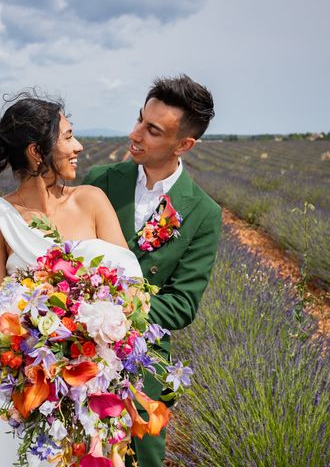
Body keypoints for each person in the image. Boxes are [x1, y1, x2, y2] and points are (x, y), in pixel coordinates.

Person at [0, 92, 143, 466]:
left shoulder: (92, 200)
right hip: (36, 383)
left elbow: (134, 289)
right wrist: (54, 333)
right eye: (67, 137)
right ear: (36, 151)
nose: (78, 146)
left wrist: (97, 326)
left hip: (98, 381)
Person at [82, 74, 222, 467]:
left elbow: (182, 305)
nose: (134, 133)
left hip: (141, 359)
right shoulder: (101, 181)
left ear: (184, 145)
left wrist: (114, 313)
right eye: (139, 119)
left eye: (152, 130)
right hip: (78, 351)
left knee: (140, 457)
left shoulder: (204, 213)